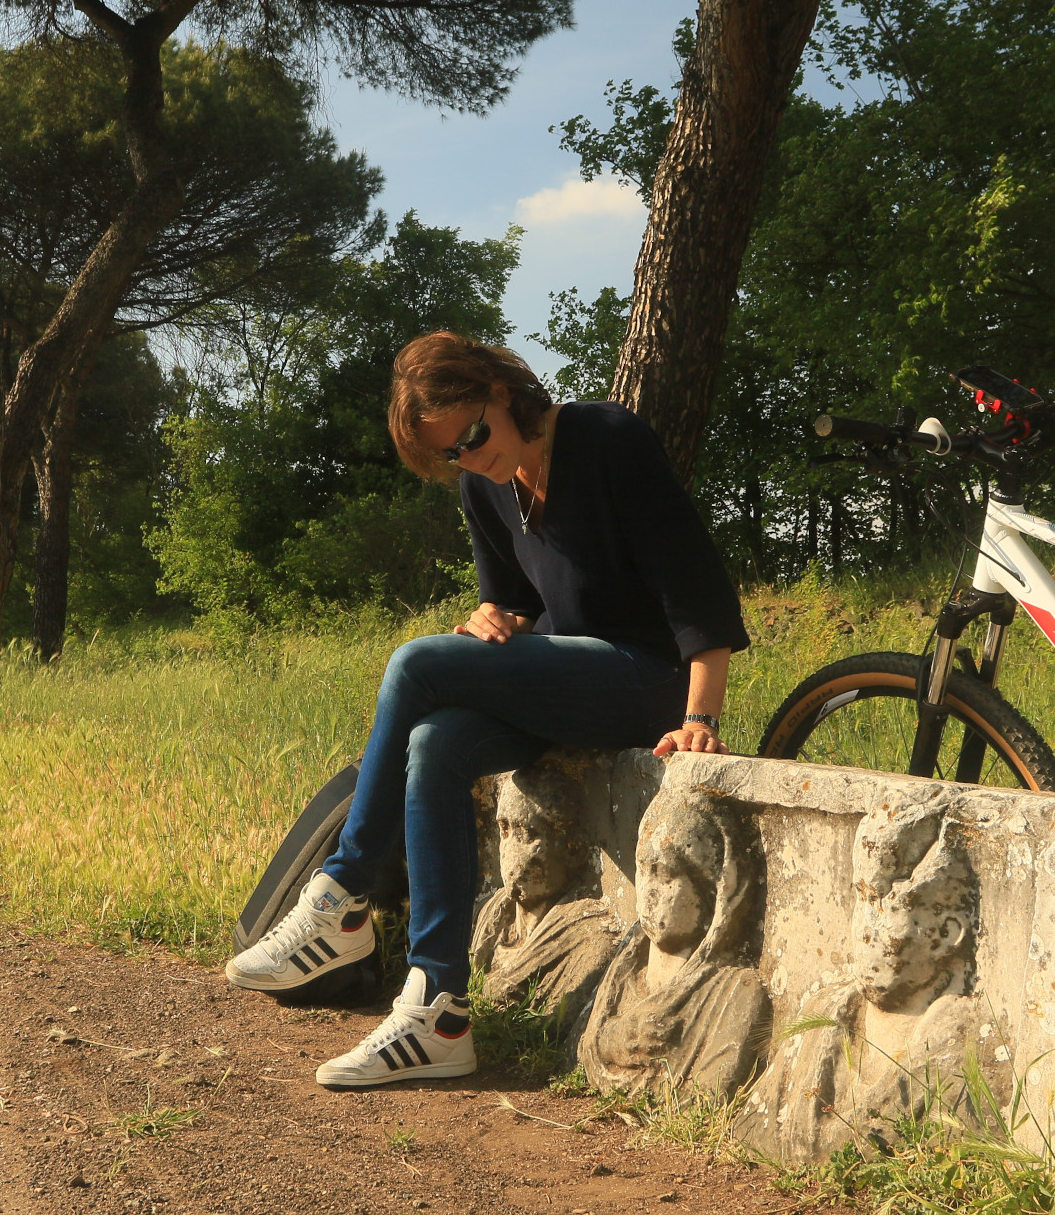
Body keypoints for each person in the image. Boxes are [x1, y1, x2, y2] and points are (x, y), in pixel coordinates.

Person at [223, 331, 750, 1089]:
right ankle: (437, 1012)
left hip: (645, 678)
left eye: (471, 436)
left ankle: (341, 894)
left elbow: (695, 586)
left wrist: (700, 714)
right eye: (451, 454)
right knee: (436, 741)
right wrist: (489, 620)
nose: (468, 458)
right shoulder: (485, 485)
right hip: (568, 683)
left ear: (501, 390)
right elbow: (516, 601)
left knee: (415, 659)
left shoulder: (607, 438)